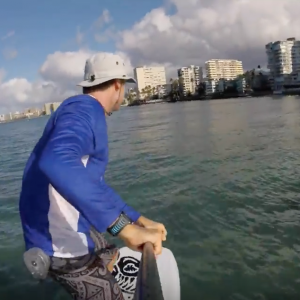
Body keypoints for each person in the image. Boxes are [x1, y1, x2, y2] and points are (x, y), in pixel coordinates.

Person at [19, 53, 167, 300]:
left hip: (59, 224)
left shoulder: (78, 110)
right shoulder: (85, 110)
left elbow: (93, 184)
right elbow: (57, 161)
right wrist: (125, 229)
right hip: (56, 243)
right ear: (118, 85)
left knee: (111, 253)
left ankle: (106, 277)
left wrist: (138, 219)